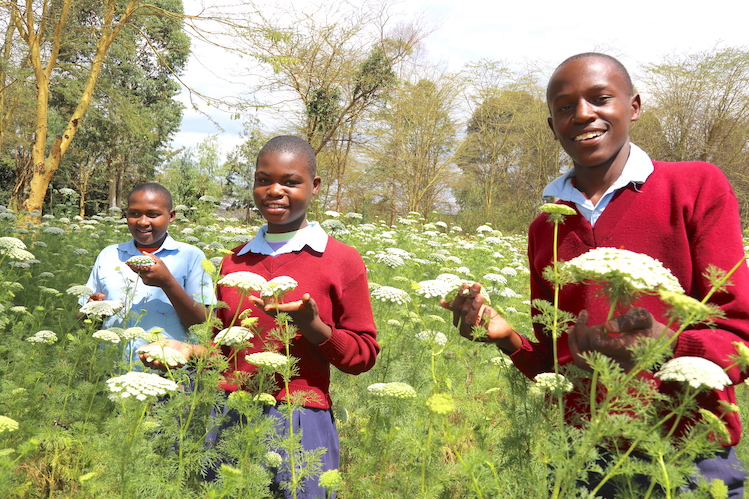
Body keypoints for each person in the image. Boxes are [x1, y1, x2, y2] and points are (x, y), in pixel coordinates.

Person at [442, 53, 749, 496]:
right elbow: (562, 365)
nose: (583, 114)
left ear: (634, 106)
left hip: (688, 455)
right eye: (565, 106)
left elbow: (739, 336)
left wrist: (669, 345)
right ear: (552, 125)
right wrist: (507, 339)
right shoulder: (547, 226)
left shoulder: (695, 187)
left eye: (600, 98)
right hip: (587, 457)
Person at [141, 135, 379, 498]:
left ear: (314, 186)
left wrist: (313, 327)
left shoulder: (340, 259)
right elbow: (222, 347)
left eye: (290, 181)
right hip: (229, 414)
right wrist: (184, 352)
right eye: (263, 180)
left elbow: (363, 355)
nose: (274, 190)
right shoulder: (235, 260)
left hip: (300, 414)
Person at [82, 182, 214, 362]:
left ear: (171, 215)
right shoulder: (109, 255)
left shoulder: (191, 256)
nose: (143, 222)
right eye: (134, 214)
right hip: (111, 370)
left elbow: (204, 325)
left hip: (170, 372)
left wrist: (167, 282)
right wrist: (91, 309)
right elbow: (83, 319)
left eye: (153, 214)